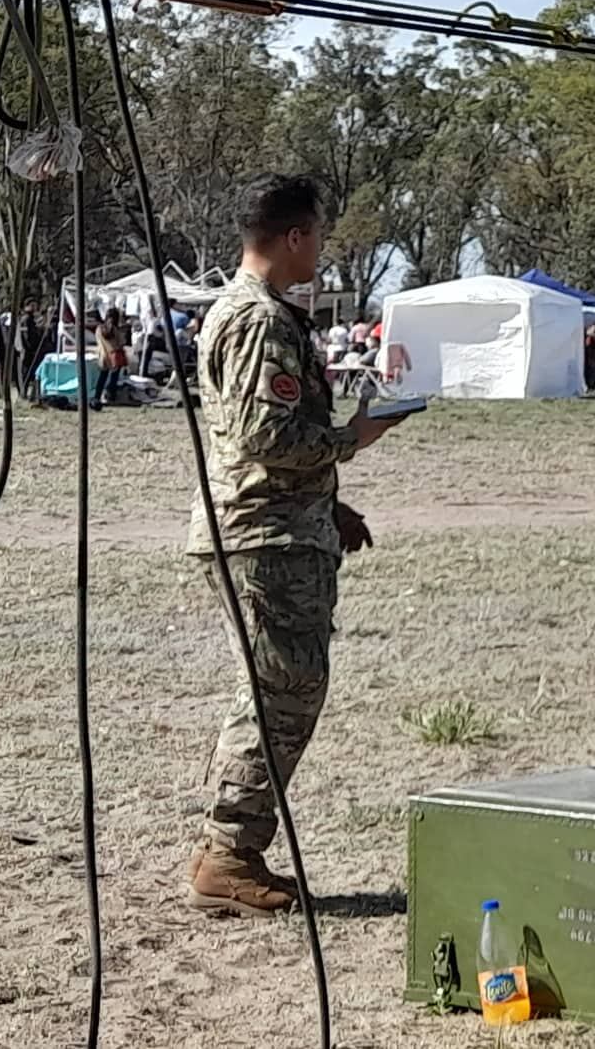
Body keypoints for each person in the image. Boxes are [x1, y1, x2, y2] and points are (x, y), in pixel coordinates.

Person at [185, 174, 408, 915]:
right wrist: (354, 438)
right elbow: (263, 436)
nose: (321, 248)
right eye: (316, 233)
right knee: (282, 692)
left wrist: (332, 506)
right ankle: (229, 853)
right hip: (262, 532)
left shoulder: (258, 314)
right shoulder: (259, 321)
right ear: (292, 237)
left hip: (278, 524)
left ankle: (232, 847)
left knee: (279, 688)